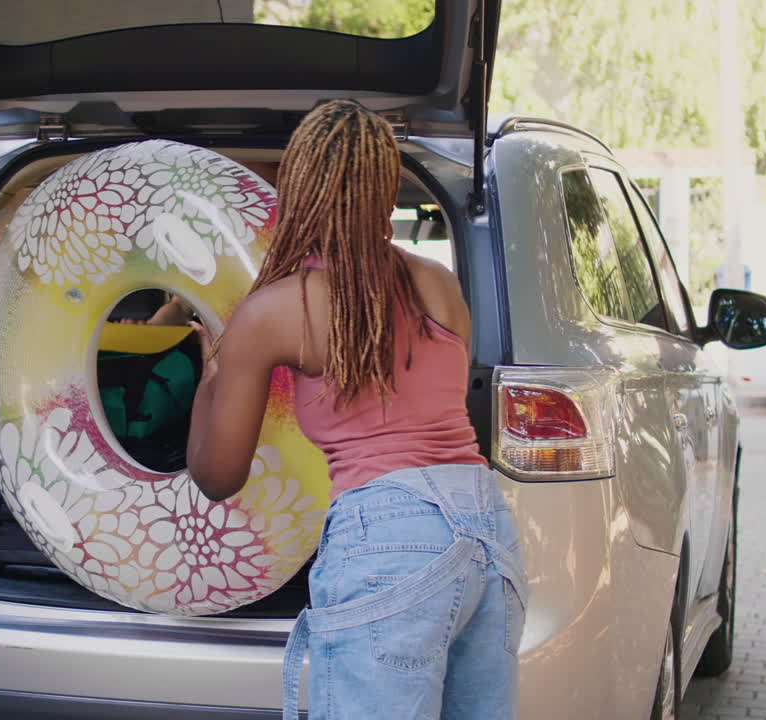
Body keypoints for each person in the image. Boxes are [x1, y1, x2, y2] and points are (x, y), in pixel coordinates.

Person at [185, 101, 527, 720]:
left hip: (388, 537)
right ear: (384, 188)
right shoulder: (438, 285)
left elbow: (217, 475)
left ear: (297, 186)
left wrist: (211, 378)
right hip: (486, 529)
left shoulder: (276, 312)